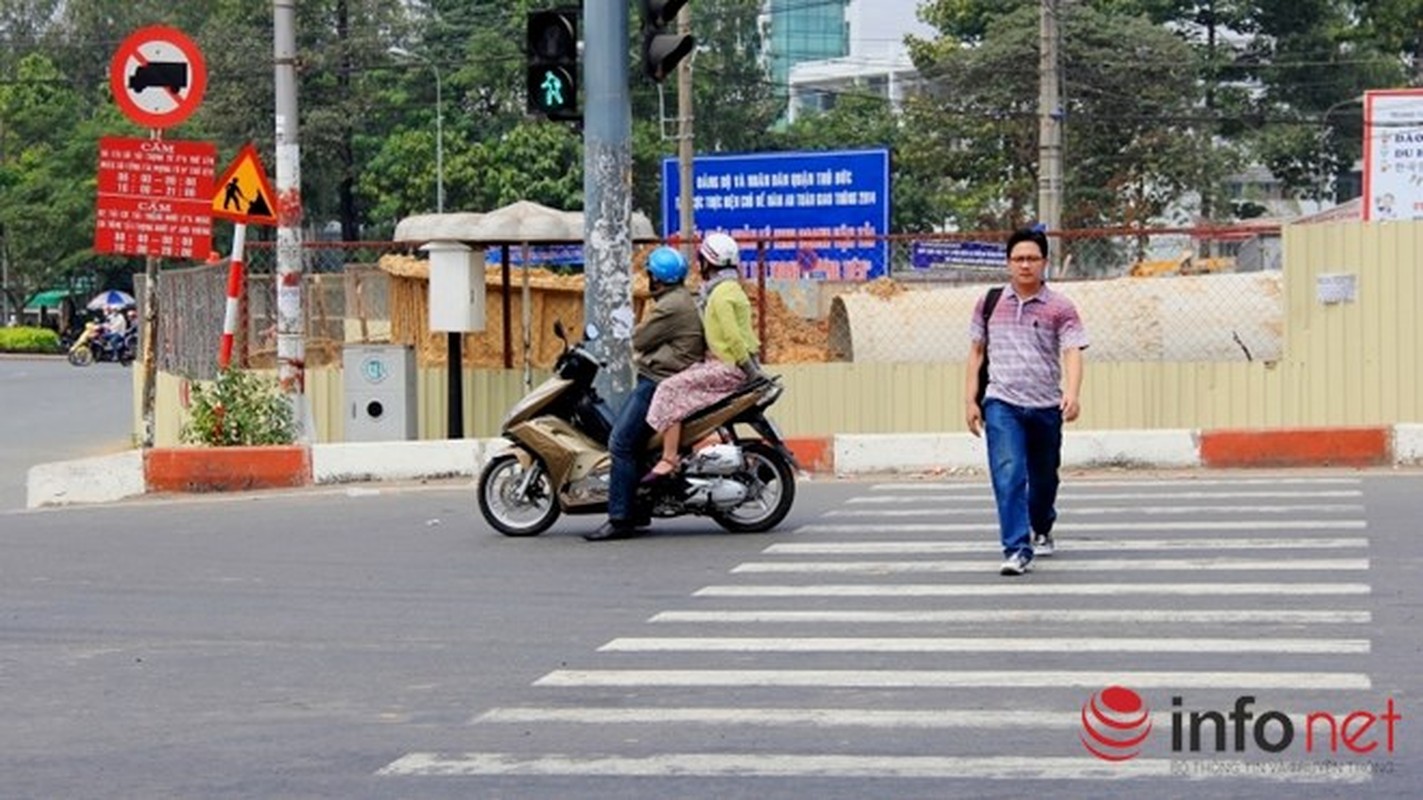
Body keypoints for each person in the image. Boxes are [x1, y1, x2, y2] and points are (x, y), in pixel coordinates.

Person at [965, 227, 1088, 576]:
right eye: (1018, 258)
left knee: (1044, 479)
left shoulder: (1060, 307)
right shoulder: (989, 303)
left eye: (1032, 258)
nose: (1025, 265)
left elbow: (1073, 351)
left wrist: (1073, 393)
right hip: (1001, 402)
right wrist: (970, 400)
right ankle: (1017, 549)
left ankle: (1043, 526)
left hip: (1046, 405)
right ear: (1007, 263)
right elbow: (975, 353)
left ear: (1044, 262)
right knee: (1009, 474)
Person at [584, 246, 706, 542]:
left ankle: (621, 517)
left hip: (659, 380)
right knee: (634, 443)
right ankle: (638, 507)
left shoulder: (669, 306)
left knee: (621, 442)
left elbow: (639, 339)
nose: (648, 278)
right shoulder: (678, 299)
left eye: (650, 273)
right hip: (666, 376)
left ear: (659, 278)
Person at [643, 232, 764, 480]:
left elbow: (733, 337)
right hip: (728, 363)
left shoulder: (720, 294)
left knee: (668, 388)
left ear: (707, 263)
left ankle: (668, 458)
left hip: (729, 367)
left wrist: (750, 371)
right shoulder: (728, 289)